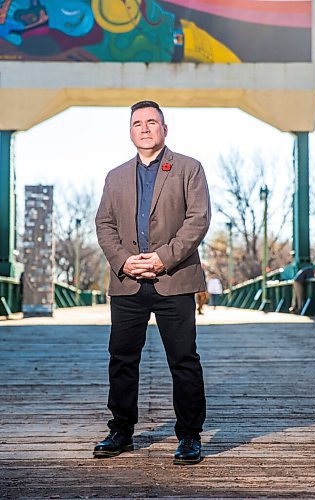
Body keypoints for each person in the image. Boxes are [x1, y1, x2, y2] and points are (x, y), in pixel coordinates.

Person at [94, 100, 211, 465]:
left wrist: (163, 258)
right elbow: (104, 224)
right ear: (130, 132)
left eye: (151, 122)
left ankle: (190, 436)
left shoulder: (189, 168)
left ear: (164, 128)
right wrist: (124, 261)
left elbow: (198, 219)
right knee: (122, 359)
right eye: (137, 123)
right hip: (128, 282)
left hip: (173, 279)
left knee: (183, 359)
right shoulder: (115, 176)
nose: (144, 128)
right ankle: (121, 431)